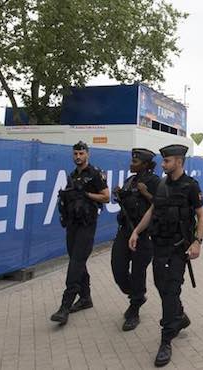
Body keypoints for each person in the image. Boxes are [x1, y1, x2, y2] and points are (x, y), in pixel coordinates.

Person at [129, 144, 203, 367]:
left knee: (171, 289)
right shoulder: (162, 185)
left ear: (179, 162)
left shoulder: (190, 186)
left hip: (178, 248)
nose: (163, 165)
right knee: (161, 286)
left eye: (167, 161)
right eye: (163, 161)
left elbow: (202, 215)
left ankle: (166, 339)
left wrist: (197, 242)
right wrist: (136, 231)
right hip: (159, 246)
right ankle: (179, 317)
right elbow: (152, 211)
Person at [51, 141, 109, 325]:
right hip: (72, 224)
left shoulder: (94, 173)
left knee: (76, 262)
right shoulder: (72, 174)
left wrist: (86, 194)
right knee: (76, 260)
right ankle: (85, 298)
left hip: (87, 224)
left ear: (87, 155)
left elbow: (106, 197)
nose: (78, 157)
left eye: (81, 154)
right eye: (75, 154)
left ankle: (65, 306)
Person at [111, 148, 160, 331]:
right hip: (125, 232)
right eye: (132, 161)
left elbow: (160, 204)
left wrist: (147, 193)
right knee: (118, 269)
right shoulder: (130, 181)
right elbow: (127, 204)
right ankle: (137, 296)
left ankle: (134, 309)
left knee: (138, 272)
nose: (132, 164)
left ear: (146, 165)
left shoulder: (154, 182)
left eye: (136, 162)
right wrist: (120, 194)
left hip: (144, 235)